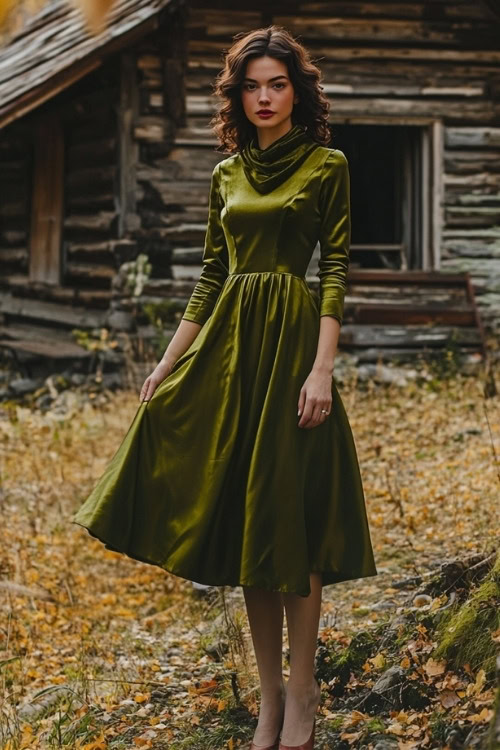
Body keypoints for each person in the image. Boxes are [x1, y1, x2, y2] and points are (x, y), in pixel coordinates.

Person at [71, 24, 377, 750]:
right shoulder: (226, 174)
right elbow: (213, 276)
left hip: (294, 350)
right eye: (252, 85)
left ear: (297, 90)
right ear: (237, 96)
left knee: (290, 526)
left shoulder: (327, 164)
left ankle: (302, 699)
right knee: (250, 532)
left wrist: (323, 368)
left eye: (277, 83)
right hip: (230, 357)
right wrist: (167, 361)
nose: (265, 97)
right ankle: (267, 703)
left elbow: (334, 268)